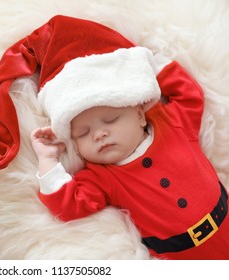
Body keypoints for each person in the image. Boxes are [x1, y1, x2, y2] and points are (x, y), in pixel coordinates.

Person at [30, 45, 229, 260]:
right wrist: (48, 159)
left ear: (140, 116)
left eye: (111, 120)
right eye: (83, 133)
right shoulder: (101, 177)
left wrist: (153, 65)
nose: (99, 135)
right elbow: (67, 206)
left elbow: (189, 95)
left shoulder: (171, 123)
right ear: (75, 145)